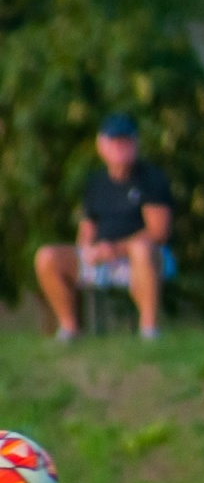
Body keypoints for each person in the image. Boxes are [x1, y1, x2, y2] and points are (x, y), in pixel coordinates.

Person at [35, 113, 175, 341]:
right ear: (102, 145)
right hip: (103, 256)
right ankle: (69, 328)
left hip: (145, 256)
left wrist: (117, 249)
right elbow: (87, 229)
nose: (121, 148)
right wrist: (89, 250)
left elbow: (158, 233)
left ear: (135, 143)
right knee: (46, 256)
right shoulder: (95, 183)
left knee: (141, 249)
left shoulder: (152, 179)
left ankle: (149, 330)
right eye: (115, 142)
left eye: (126, 141)